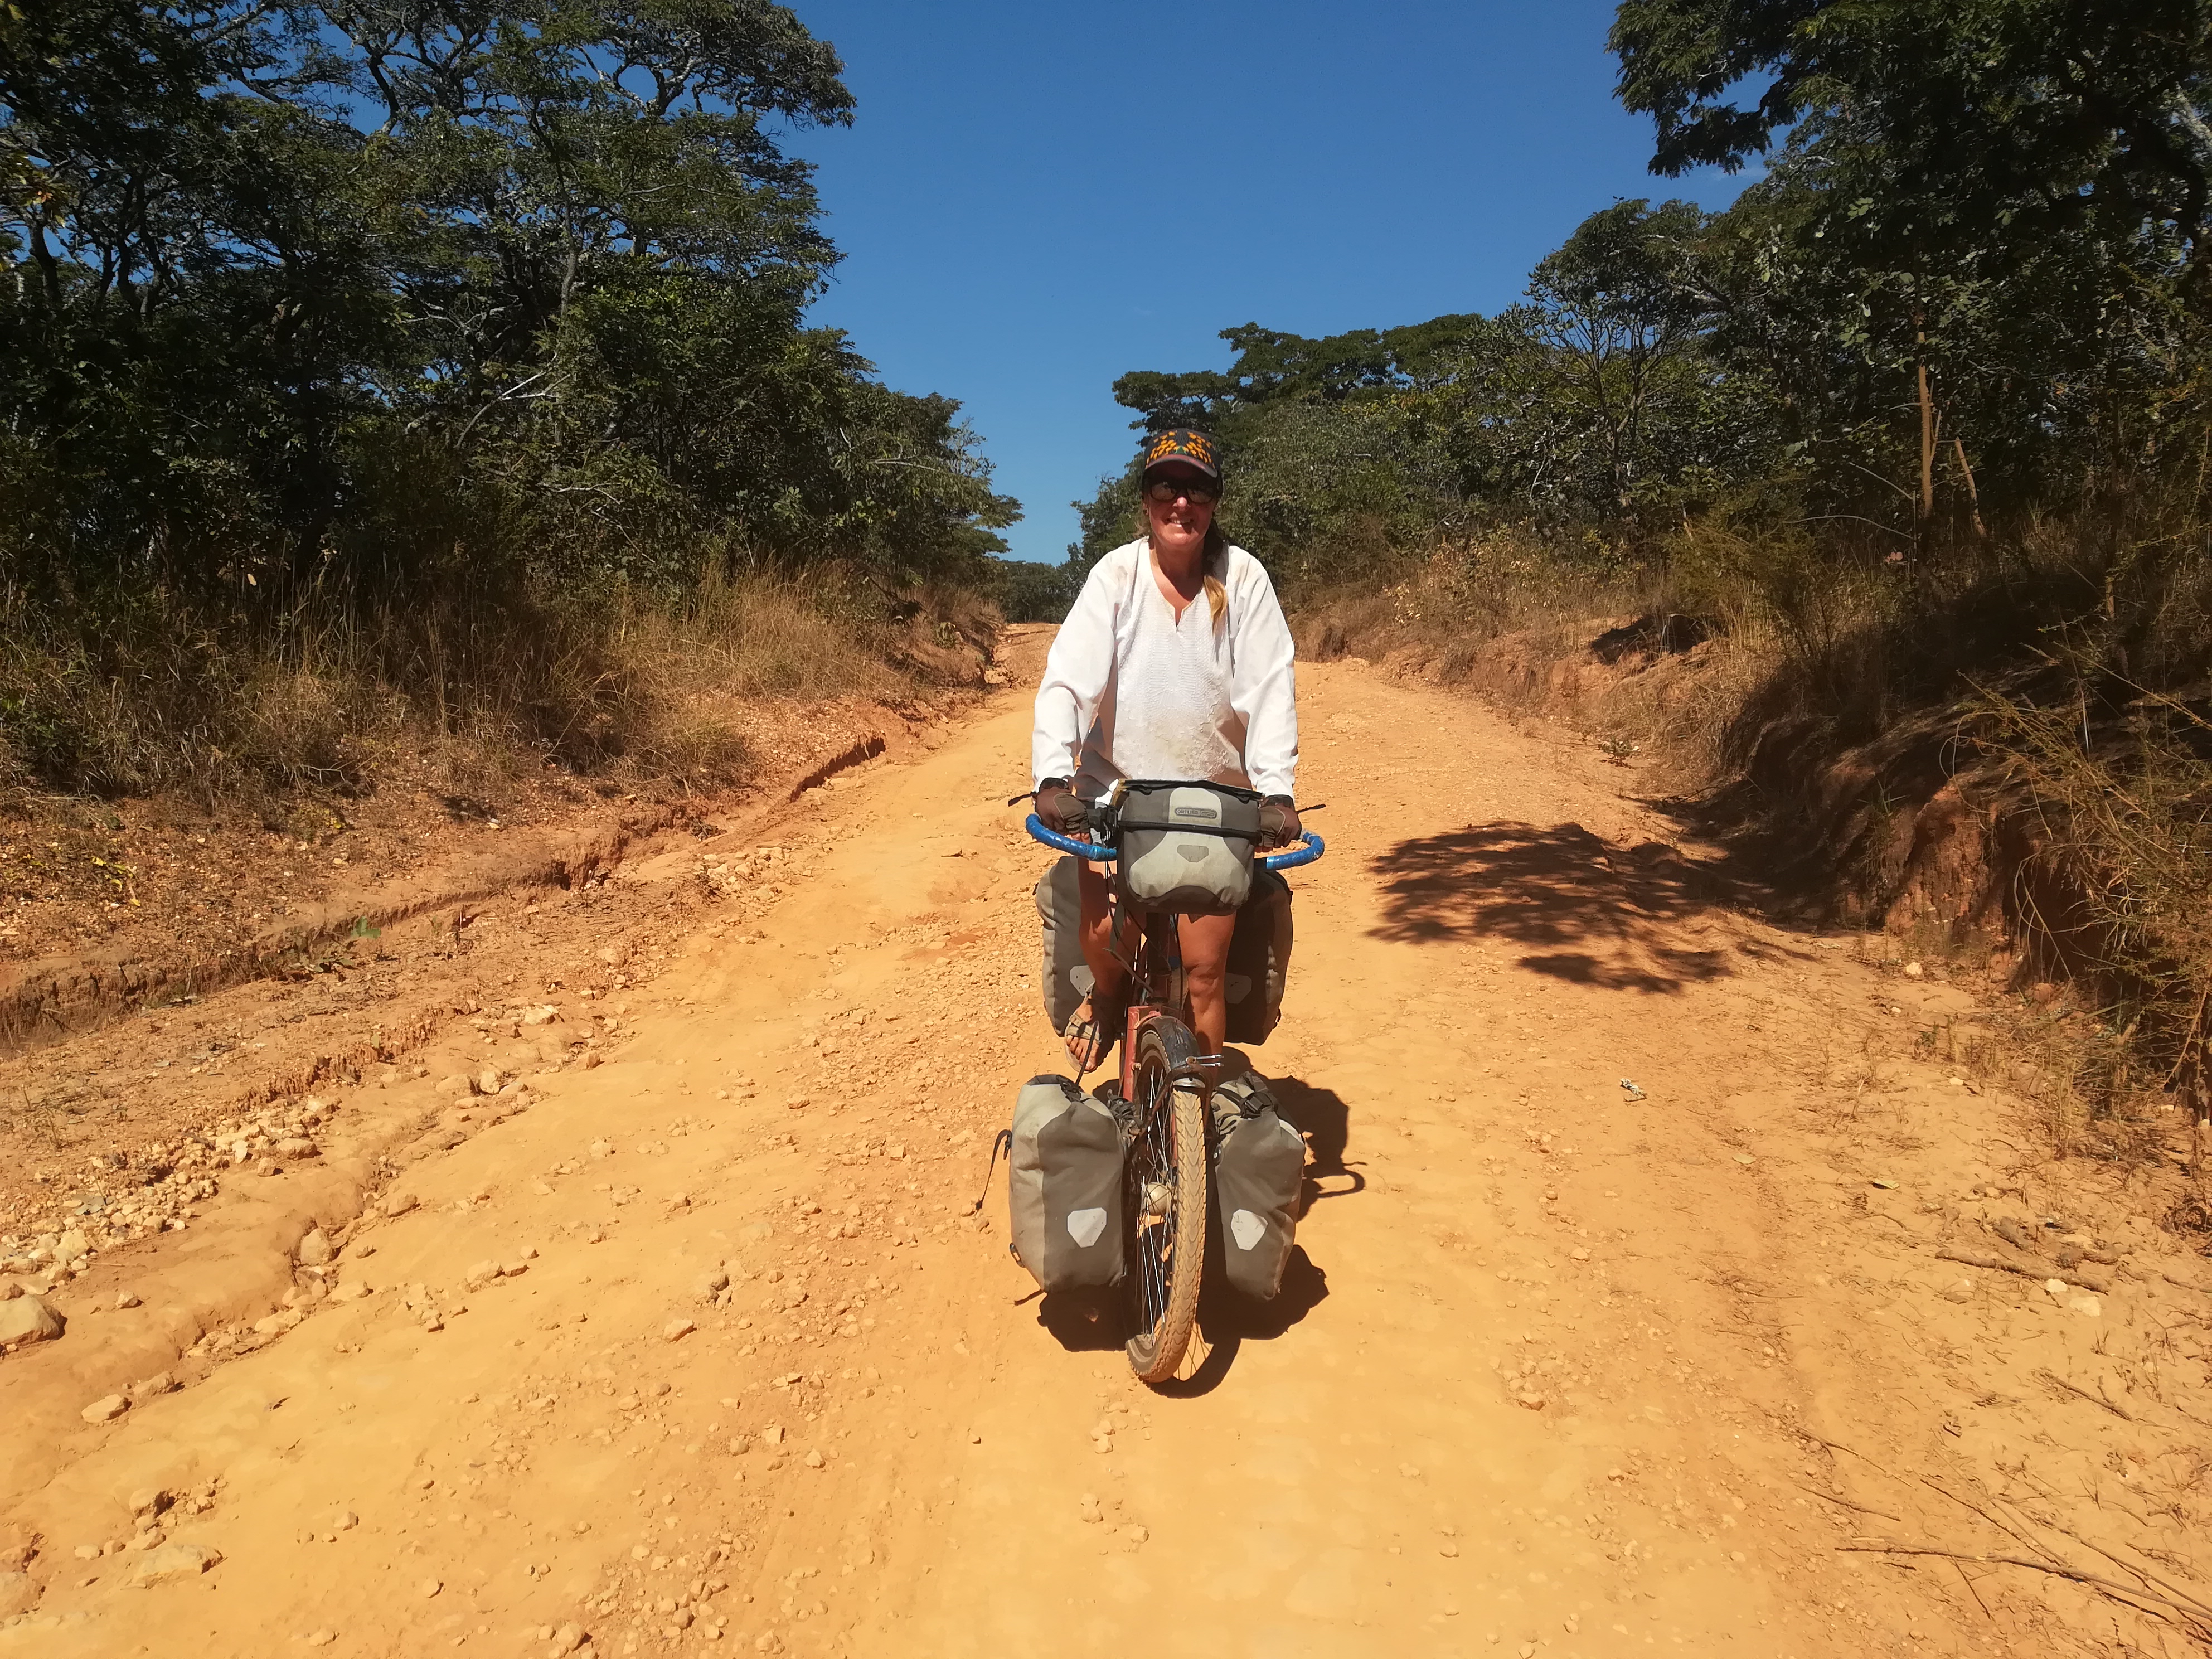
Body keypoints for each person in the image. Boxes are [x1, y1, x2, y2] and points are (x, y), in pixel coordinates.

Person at [1030, 428, 1300, 1072]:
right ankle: (1105, 996)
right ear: (1146, 499)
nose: (1181, 503)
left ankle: (1195, 1115)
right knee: (1107, 943)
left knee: (1204, 974)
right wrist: (1051, 778)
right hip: (1115, 799)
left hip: (1214, 807)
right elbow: (1069, 682)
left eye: (1197, 490)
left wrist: (1276, 791)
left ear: (1215, 502)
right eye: (1166, 487)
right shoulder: (1115, 576)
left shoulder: (1244, 579)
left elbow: (1269, 691)